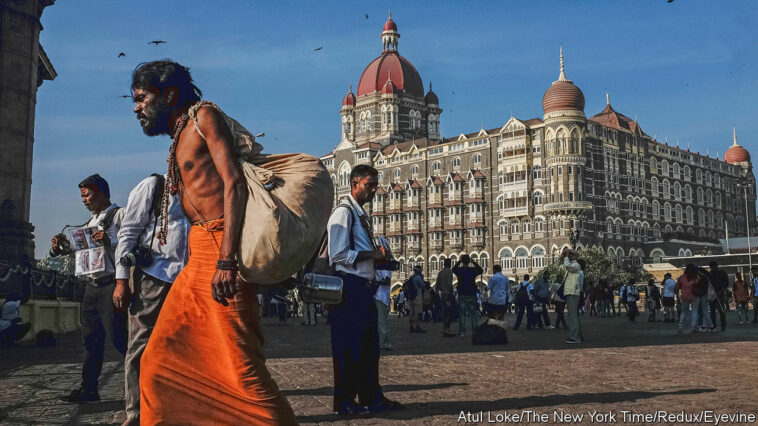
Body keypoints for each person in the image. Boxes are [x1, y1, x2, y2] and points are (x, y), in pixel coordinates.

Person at [130, 60, 296, 423]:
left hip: (222, 252)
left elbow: (233, 183)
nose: (136, 107)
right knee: (158, 362)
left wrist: (226, 261)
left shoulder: (203, 118)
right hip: (197, 257)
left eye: (142, 98)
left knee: (241, 369)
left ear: (169, 94)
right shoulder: (179, 136)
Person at [113, 173, 189, 425]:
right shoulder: (155, 185)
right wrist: (122, 281)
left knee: (182, 346)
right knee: (140, 344)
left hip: (188, 278)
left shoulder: (202, 186)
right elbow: (128, 232)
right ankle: (135, 412)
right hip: (152, 274)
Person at [326, 164, 402, 415]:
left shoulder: (359, 214)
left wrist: (380, 259)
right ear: (354, 183)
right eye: (368, 185)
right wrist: (372, 254)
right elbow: (338, 254)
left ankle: (372, 396)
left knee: (369, 348)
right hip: (350, 289)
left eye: (375, 185)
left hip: (364, 288)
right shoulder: (343, 212)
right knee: (349, 348)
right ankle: (346, 402)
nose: (373, 190)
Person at [57, 174, 128, 403]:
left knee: (121, 339)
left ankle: (147, 386)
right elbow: (84, 254)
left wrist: (109, 241)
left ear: (102, 194)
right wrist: (63, 246)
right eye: (83, 196)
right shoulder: (90, 222)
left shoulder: (120, 215)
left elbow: (130, 248)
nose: (84, 200)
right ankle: (89, 389)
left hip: (110, 285)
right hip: (91, 287)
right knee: (90, 341)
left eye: (87, 195)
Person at [452, 255, 483, 337]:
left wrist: (459, 261)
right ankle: (474, 331)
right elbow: (481, 270)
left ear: (462, 261)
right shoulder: (472, 270)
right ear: (469, 261)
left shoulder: (459, 270)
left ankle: (462, 332)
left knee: (462, 314)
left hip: (462, 293)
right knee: (473, 314)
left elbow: (453, 269)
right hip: (472, 293)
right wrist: (473, 262)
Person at [374, 235, 394, 349]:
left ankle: (385, 342)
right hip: (378, 296)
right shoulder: (380, 264)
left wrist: (374, 281)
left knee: (381, 321)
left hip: (380, 296)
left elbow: (386, 280)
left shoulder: (384, 265)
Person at [562, 248, 583, 344]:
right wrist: (563, 257)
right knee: (573, 316)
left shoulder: (576, 265)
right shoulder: (571, 265)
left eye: (568, 255)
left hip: (573, 292)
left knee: (573, 316)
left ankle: (575, 337)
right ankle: (577, 335)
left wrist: (565, 257)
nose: (567, 256)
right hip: (571, 292)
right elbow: (563, 266)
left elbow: (567, 266)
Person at [434, 259, 456, 336]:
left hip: (442, 295)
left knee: (445, 312)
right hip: (448, 295)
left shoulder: (440, 273)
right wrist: (451, 292)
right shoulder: (449, 272)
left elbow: (437, 286)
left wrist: (442, 290)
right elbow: (450, 284)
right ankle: (446, 328)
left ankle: (446, 328)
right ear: (450, 264)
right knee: (451, 311)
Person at [675, 264, 697, 335]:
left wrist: (678, 296)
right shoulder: (695, 278)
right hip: (694, 296)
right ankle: (692, 328)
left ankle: (680, 328)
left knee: (683, 313)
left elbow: (677, 288)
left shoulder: (681, 278)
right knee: (694, 312)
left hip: (684, 297)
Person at [405, 266, 426, 333]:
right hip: (417, 297)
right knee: (417, 312)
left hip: (411, 297)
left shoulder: (411, 277)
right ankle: (417, 327)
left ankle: (411, 327)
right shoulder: (418, 277)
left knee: (411, 312)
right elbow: (423, 286)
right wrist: (422, 278)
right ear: (419, 270)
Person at [707, 261, 728, 331]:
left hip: (720, 294)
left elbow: (726, 284)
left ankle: (723, 325)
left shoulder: (722, 273)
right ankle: (714, 325)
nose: (714, 268)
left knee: (721, 310)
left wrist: (721, 291)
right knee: (712, 311)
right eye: (713, 267)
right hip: (712, 295)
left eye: (715, 266)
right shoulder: (709, 274)